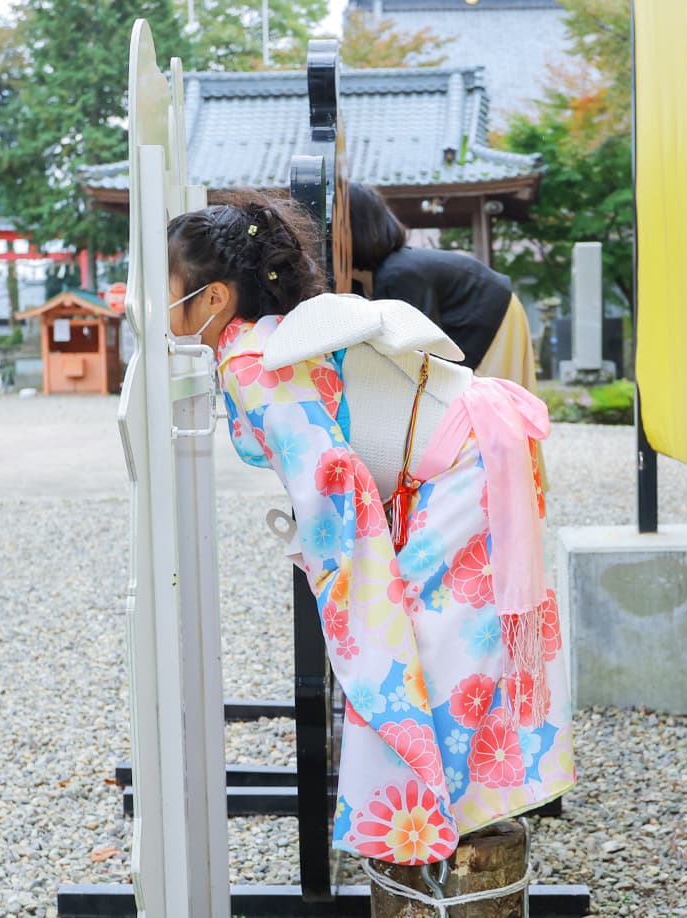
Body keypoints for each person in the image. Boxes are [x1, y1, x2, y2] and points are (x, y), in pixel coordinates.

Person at [166, 189, 574, 867]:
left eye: (167, 286)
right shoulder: (258, 342)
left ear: (211, 299)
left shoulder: (248, 361)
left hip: (461, 462)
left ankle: (439, 824)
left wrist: (331, 565)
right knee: (453, 631)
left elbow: (328, 478)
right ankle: (468, 808)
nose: (153, 301)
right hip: (468, 446)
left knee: (424, 635)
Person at [348, 182, 540, 393]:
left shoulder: (398, 274)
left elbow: (421, 352)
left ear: (352, 228)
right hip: (487, 308)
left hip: (492, 312)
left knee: (490, 407)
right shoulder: (367, 281)